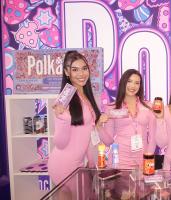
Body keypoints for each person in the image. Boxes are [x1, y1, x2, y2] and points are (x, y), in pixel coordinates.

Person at [48, 51, 107, 186]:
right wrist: (63, 118)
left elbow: (87, 134)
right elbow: (60, 143)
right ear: (67, 72)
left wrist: (92, 163)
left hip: (80, 163)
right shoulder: (64, 99)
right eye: (75, 70)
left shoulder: (87, 95)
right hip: (64, 164)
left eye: (84, 68)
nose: (81, 74)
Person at [99, 69, 156, 169]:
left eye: (137, 83)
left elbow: (153, 138)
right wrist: (99, 126)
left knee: (141, 184)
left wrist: (148, 159)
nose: (133, 86)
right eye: (129, 81)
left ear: (140, 86)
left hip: (142, 158)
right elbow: (108, 141)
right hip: (120, 159)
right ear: (123, 83)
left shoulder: (148, 107)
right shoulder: (112, 107)